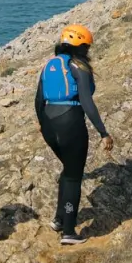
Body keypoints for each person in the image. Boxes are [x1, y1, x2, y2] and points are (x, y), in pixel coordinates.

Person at [35, 24, 114, 244]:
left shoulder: (49, 65)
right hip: (70, 121)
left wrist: (43, 123)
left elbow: (38, 99)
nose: (88, 51)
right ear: (81, 46)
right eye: (87, 47)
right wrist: (103, 132)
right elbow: (87, 102)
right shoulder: (79, 66)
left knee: (68, 170)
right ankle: (69, 232)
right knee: (73, 176)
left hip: (49, 123)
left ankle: (59, 219)